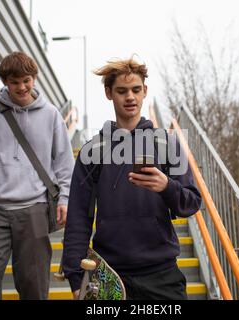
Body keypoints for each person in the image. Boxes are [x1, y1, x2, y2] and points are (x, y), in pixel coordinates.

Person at [61, 57, 202, 300]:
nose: (130, 97)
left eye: (136, 90)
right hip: (108, 275)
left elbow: (191, 203)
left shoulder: (168, 144)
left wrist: (167, 186)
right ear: (108, 93)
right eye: (121, 91)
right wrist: (75, 277)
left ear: (145, 91)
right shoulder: (92, 151)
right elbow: (78, 217)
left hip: (162, 274)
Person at [0, 52, 74, 300]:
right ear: (5, 82)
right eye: (15, 82)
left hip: (34, 208)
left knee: (33, 283)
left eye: (27, 80)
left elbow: (65, 164)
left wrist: (65, 199)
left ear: (34, 78)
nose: (22, 87)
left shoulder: (51, 115)